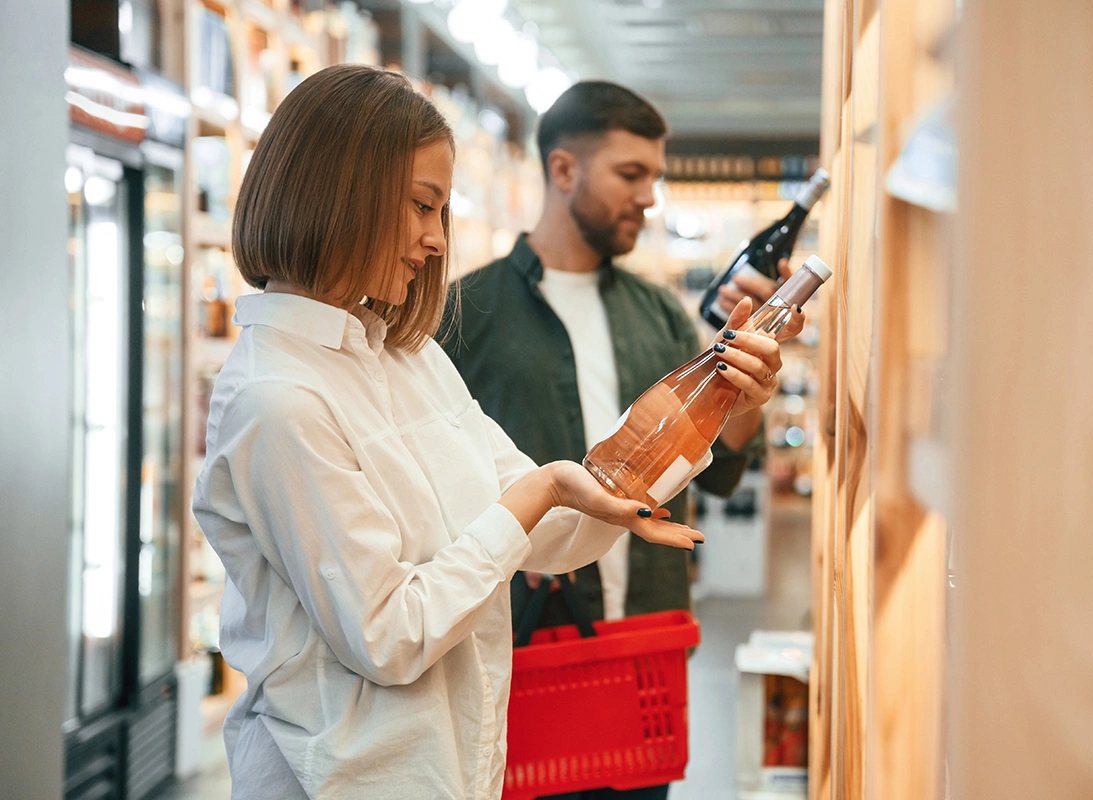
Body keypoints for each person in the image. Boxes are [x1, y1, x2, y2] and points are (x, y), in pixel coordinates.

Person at [191, 65, 717, 800]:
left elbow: (548, 531)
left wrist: (684, 425)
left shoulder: (408, 357)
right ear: (341, 193)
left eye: (441, 212)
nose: (437, 241)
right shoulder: (278, 401)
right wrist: (540, 492)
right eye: (420, 207)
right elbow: (390, 634)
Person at [441, 81, 805, 799]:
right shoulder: (463, 314)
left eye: (655, 178)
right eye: (631, 175)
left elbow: (725, 470)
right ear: (565, 170)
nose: (649, 198)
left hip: (642, 646)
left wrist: (749, 396)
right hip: (516, 650)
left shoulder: (660, 317)